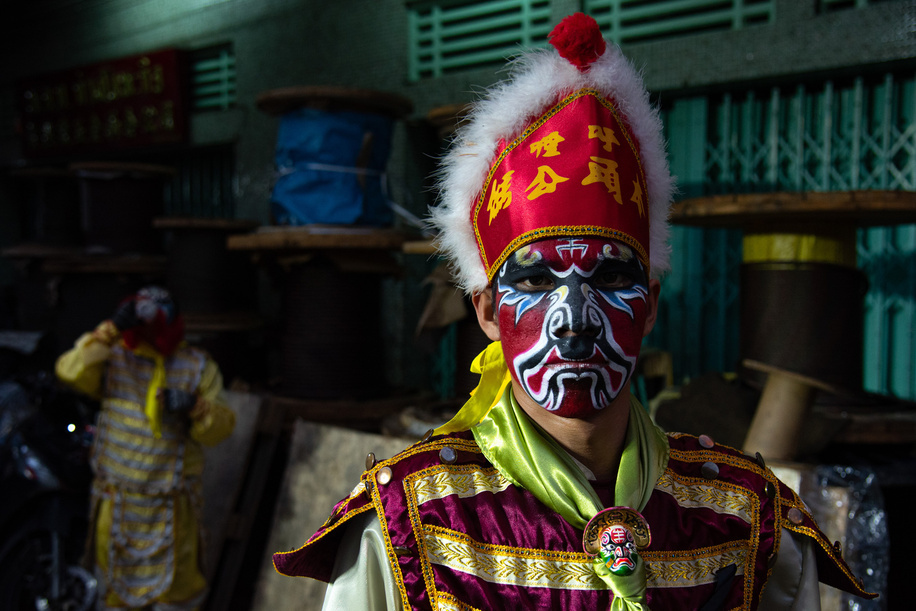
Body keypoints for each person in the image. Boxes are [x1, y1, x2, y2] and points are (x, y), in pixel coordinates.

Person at [273, 13, 876, 610]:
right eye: (535, 280)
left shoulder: (745, 521)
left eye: (612, 276)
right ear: (486, 311)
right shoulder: (409, 526)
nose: (576, 317)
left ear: (649, 309)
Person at [55, 286, 235, 610]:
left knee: (177, 595)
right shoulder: (114, 356)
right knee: (114, 592)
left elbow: (220, 429)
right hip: (118, 503)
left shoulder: (196, 366)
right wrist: (109, 330)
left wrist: (194, 405)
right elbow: (70, 370)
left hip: (171, 507)